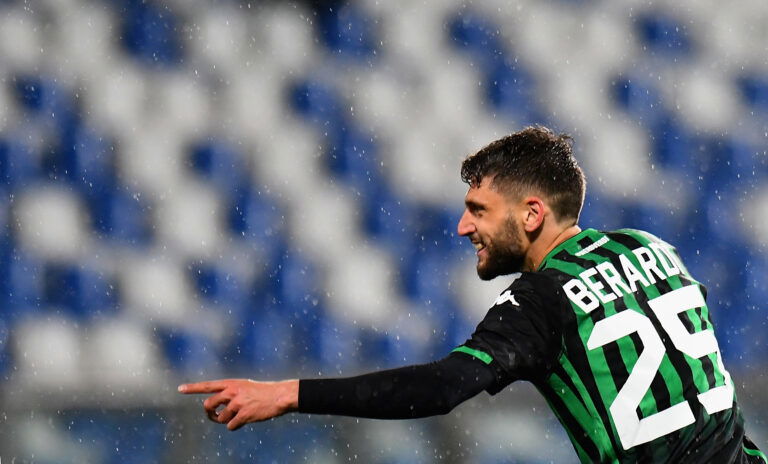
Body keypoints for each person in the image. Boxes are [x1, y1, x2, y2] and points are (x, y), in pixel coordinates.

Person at [179, 127, 765, 463]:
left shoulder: (541, 299)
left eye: (478, 210)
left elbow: (439, 388)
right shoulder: (650, 246)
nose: (463, 227)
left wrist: (290, 393)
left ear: (532, 214)